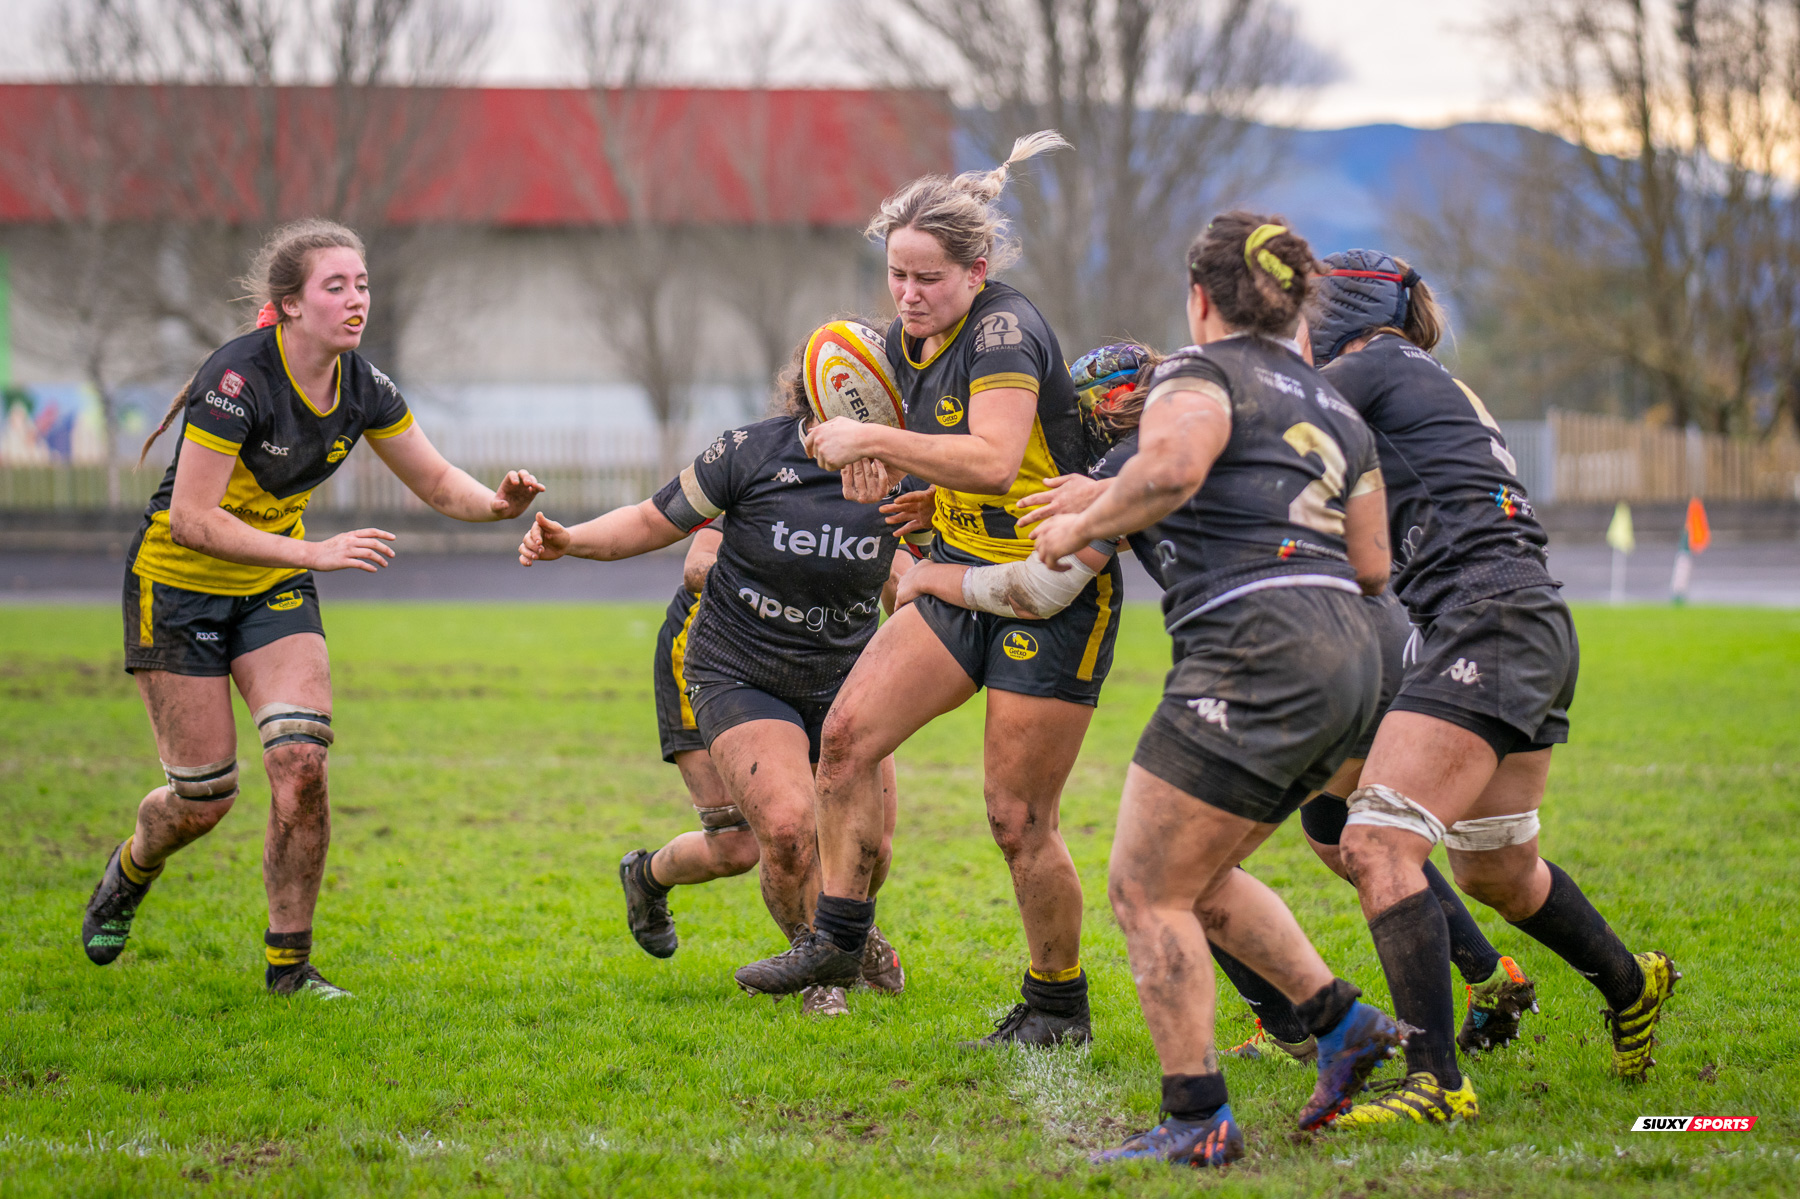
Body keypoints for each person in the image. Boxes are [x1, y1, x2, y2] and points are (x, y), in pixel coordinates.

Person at [731, 133, 1125, 1050]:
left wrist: (874, 447)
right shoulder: (911, 344)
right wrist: (911, 493)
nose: (908, 296)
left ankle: (1058, 1002)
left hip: (1053, 587)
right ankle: (837, 940)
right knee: (844, 739)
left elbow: (993, 457)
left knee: (1017, 818)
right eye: (897, 276)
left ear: (977, 269)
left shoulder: (1003, 330)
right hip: (957, 570)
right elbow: (953, 465)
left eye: (929, 278)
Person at [81, 219, 545, 998]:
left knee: (302, 765)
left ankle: (288, 969)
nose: (356, 299)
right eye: (337, 286)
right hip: (179, 583)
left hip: (270, 585)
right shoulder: (238, 380)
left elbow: (436, 482)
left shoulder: (364, 385)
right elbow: (192, 519)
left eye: (362, 284)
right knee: (205, 799)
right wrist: (312, 550)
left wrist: (498, 504)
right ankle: (133, 865)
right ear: (290, 304)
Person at [1027, 214, 1405, 1166]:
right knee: (1199, 880)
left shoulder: (1197, 373)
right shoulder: (1337, 409)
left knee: (1143, 887)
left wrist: (1083, 521)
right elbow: (1372, 561)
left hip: (1255, 648)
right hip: (1356, 655)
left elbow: (1174, 466)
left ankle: (1198, 1120)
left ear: (1200, 300)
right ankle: (1343, 1023)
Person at [1305, 251, 1677, 1125]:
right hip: (1519, 614)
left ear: (1344, 309)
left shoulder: (1371, 361)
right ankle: (1633, 983)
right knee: (1497, 868)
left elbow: (1267, 416)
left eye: (1307, 305)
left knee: (1375, 844)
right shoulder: (1409, 371)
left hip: (1488, 620)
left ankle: (1436, 1081)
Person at [519, 330, 911, 1016]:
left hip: (845, 675)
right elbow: (655, 522)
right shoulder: (752, 454)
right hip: (741, 667)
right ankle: (819, 965)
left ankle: (847, 928)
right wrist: (570, 541)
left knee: (869, 848)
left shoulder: (903, 470)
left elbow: (908, 574)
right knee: (782, 833)